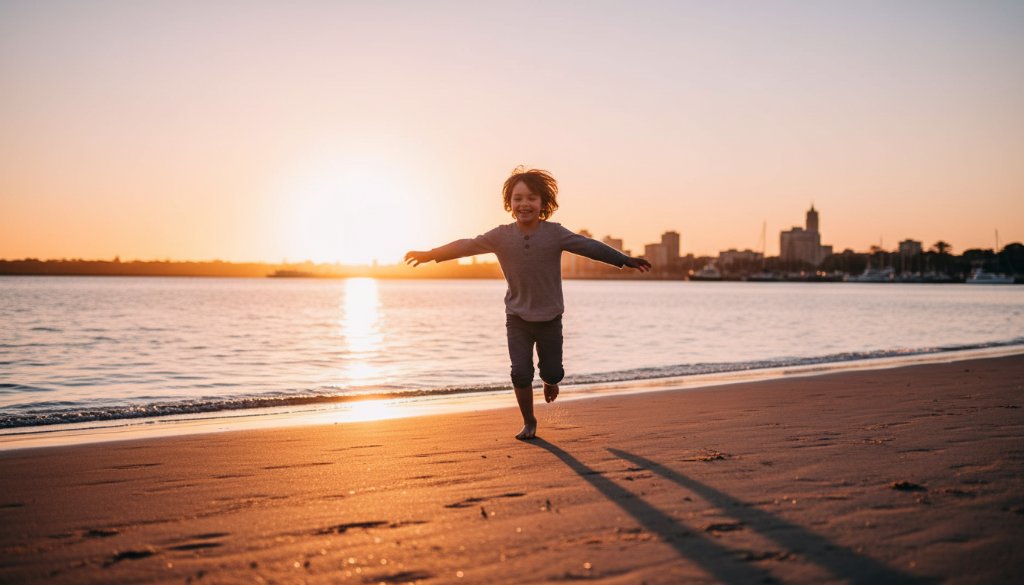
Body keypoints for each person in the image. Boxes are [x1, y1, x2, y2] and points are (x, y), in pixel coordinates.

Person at [405, 168, 651, 440]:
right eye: (517, 198)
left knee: (553, 371)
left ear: (543, 204)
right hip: (517, 318)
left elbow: (588, 246)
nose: (524, 204)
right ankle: (529, 421)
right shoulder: (500, 235)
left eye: (531, 198)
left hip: (550, 319)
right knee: (520, 372)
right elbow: (467, 245)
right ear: (509, 204)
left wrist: (623, 259)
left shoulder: (555, 234)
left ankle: (550, 381)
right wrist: (430, 255)